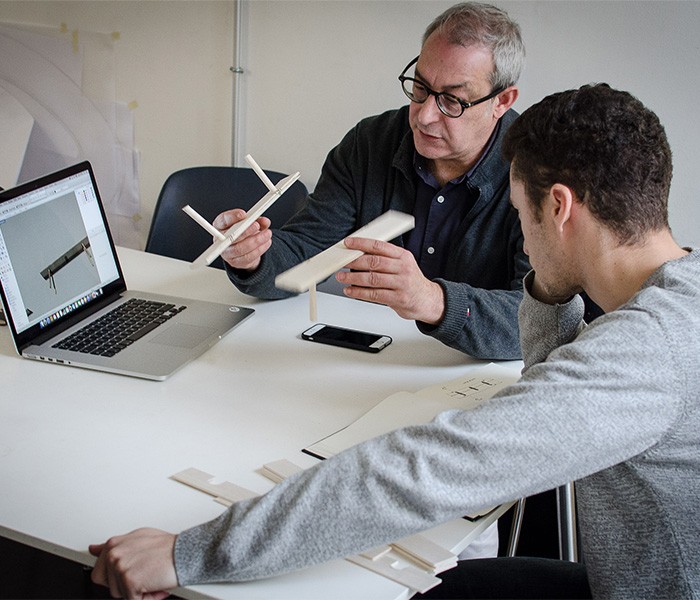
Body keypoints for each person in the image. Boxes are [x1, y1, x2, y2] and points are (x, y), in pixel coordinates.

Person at [89, 83, 699, 599]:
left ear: (560, 207)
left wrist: (188, 553)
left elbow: (418, 473)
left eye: (521, 212)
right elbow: (549, 378)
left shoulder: (643, 356)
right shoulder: (678, 290)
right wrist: (551, 279)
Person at [215, 2, 529, 361]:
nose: (425, 116)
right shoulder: (370, 143)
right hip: (375, 361)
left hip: (476, 375)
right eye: (421, 89)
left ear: (502, 101)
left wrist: (431, 300)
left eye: (452, 101)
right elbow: (305, 254)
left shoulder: (538, 173)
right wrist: (254, 258)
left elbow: (540, 320)